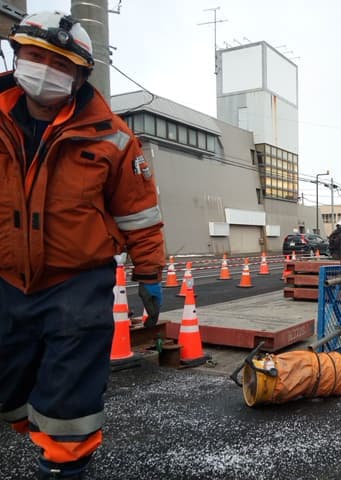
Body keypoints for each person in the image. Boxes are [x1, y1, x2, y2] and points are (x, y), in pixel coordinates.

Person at [0, 11, 165, 479]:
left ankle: (64, 466)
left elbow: (139, 214)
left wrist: (150, 274)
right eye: (36, 57)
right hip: (6, 279)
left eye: (61, 64)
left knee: (71, 390)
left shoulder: (112, 138)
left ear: (79, 76)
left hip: (78, 283)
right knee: (10, 386)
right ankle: (32, 423)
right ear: (16, 56)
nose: (46, 71)